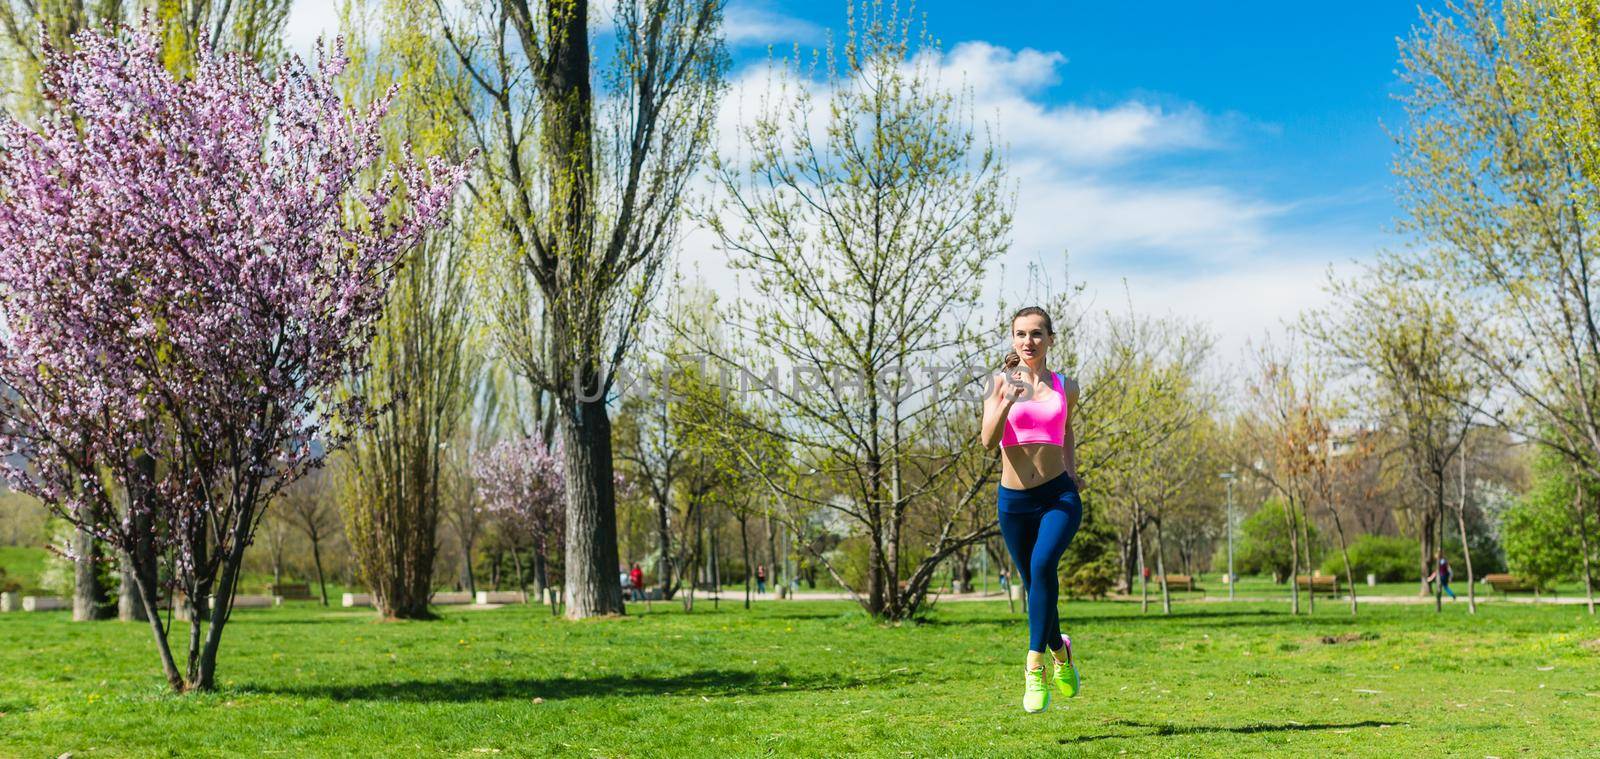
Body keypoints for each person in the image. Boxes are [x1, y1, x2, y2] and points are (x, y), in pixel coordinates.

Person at [981, 305, 1084, 713]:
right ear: (1012, 339)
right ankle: (1061, 651)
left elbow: (1068, 430)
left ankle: (1034, 668)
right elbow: (988, 441)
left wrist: (1073, 473)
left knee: (1042, 570)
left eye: (1037, 334)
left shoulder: (1066, 385)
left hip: (1058, 497)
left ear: (1050, 339)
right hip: (1015, 502)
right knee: (1035, 586)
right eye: (1021, 334)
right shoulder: (998, 383)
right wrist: (1006, 398)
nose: (1029, 341)